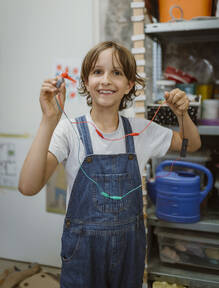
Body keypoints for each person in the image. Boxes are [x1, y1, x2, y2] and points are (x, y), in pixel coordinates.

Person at [19, 41, 201, 288]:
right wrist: (48, 120)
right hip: (83, 254)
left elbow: (191, 145)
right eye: (97, 72)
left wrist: (182, 115)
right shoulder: (68, 131)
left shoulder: (141, 130)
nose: (106, 80)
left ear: (128, 85)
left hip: (129, 252)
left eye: (116, 73)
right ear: (85, 82)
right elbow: (28, 187)